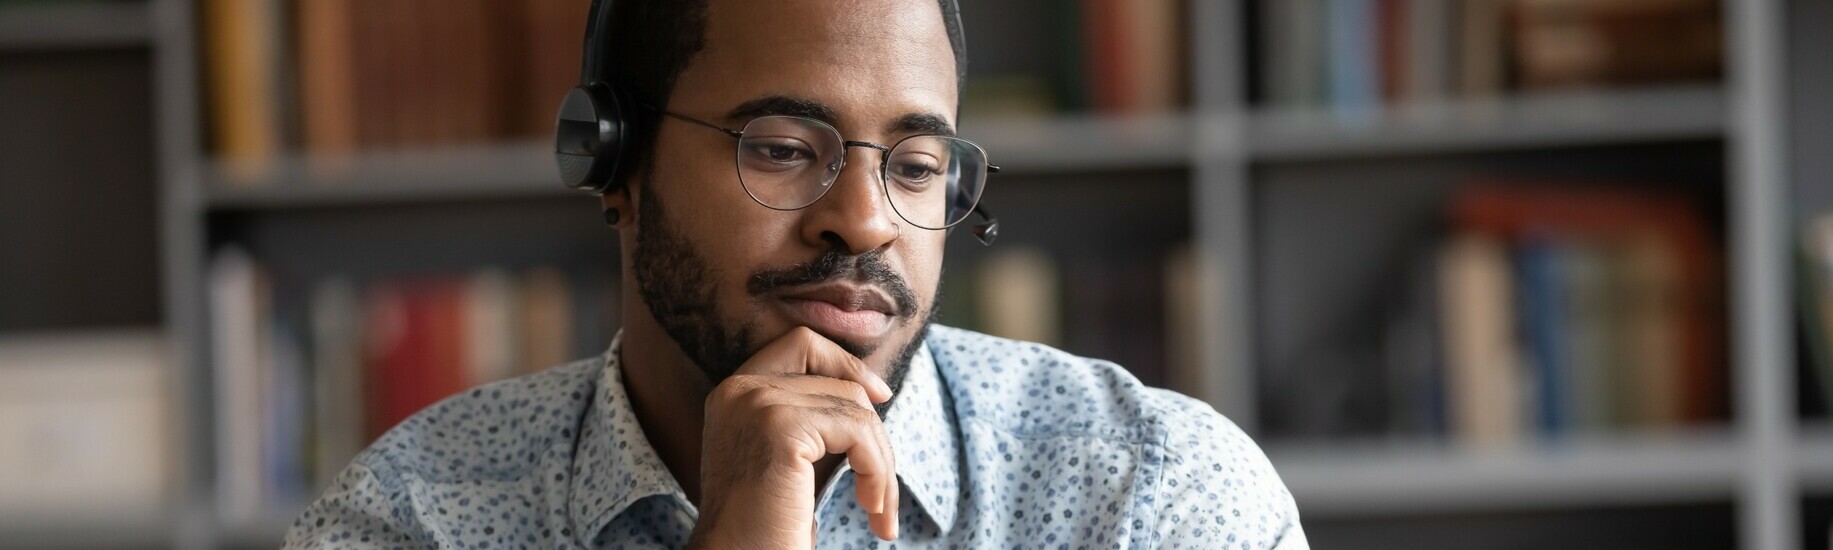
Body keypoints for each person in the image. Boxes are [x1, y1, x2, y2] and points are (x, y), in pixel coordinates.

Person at [283, 0, 1306, 547]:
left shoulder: (1148, 496)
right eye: (779, 147)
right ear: (615, 165)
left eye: (915, 166)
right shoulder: (414, 522)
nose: (862, 219)